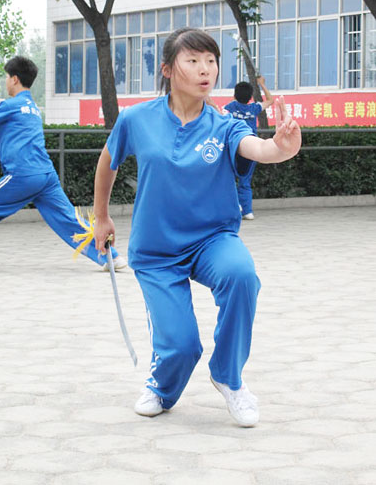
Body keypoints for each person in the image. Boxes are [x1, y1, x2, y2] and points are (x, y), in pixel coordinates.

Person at [93, 29, 301, 427]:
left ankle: (228, 375)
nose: (205, 69)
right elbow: (109, 161)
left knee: (242, 276)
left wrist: (282, 148)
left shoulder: (223, 124)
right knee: (183, 345)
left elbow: (258, 148)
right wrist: (101, 217)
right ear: (169, 70)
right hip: (157, 251)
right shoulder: (137, 119)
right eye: (193, 61)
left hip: (212, 239)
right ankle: (163, 386)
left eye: (211, 61)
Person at [0, 56, 126, 274]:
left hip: (22, 175)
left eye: (7, 77)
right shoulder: (32, 108)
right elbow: (0, 137)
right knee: (68, 220)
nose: (5, 81)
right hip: (46, 177)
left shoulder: (10, 104)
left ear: (15, 79)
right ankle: (112, 257)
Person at [223, 77, 274, 220]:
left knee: (229, 179)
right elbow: (270, 101)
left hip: (233, 148)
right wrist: (262, 84)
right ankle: (247, 211)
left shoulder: (230, 108)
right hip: (251, 148)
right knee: (245, 180)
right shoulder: (254, 108)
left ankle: (234, 207)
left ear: (234, 95)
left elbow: (220, 119)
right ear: (251, 97)